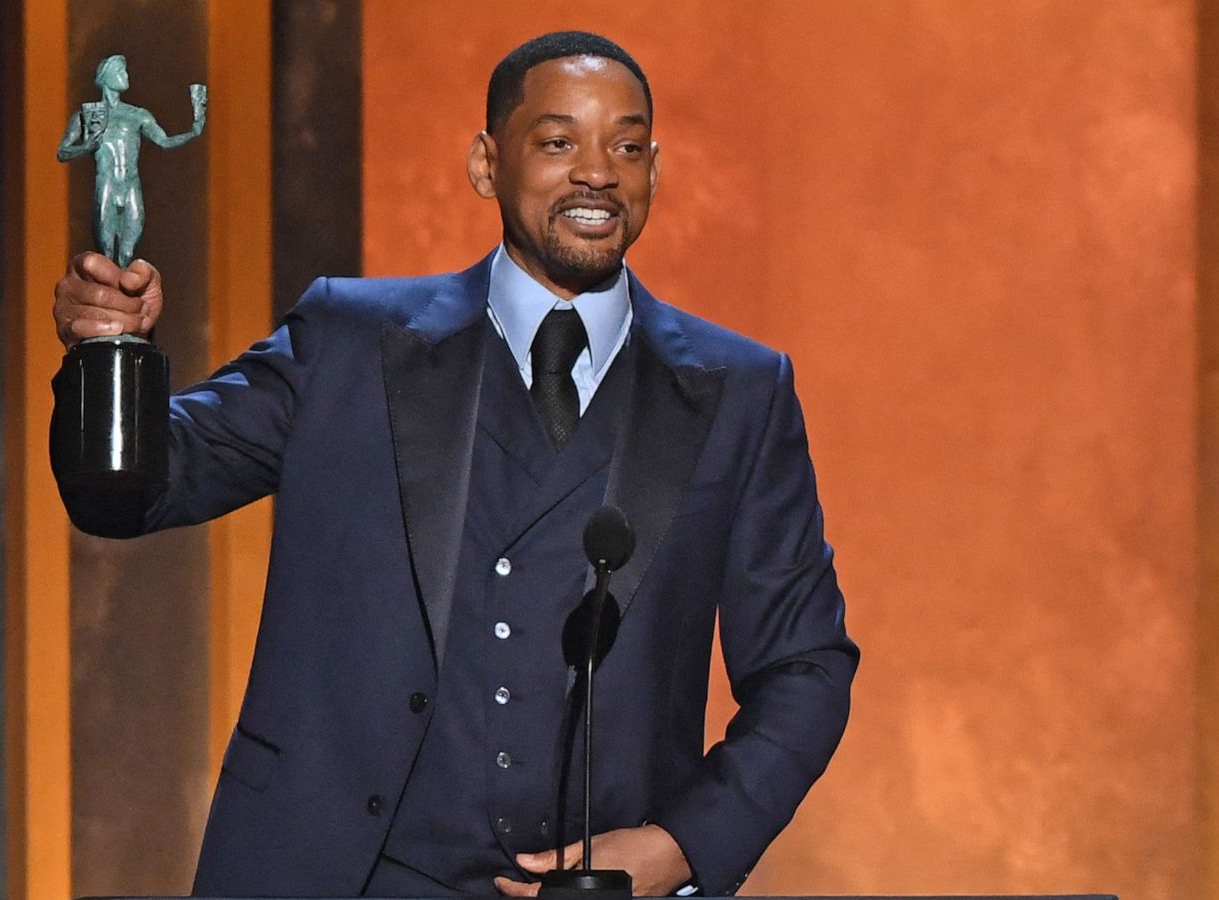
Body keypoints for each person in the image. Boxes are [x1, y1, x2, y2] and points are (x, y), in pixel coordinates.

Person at [53, 31, 857, 898]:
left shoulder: (740, 391)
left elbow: (804, 668)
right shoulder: (348, 343)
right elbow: (136, 492)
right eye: (558, 142)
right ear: (486, 163)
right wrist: (109, 357)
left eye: (625, 147)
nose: (598, 172)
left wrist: (677, 846)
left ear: (654, 171)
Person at [57, 54, 208, 266]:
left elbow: (163, 141)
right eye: (120, 72)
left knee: (127, 254)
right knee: (106, 253)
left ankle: (125, 295)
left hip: (130, 187)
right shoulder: (86, 116)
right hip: (106, 186)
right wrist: (85, 147)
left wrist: (192, 132)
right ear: (106, 78)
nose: (126, 76)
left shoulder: (138, 115)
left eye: (125, 71)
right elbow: (62, 152)